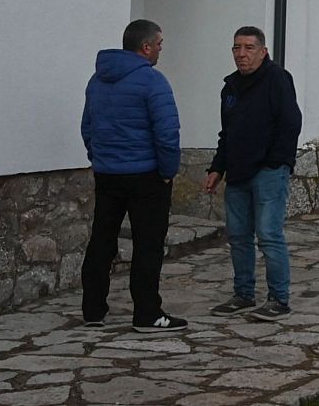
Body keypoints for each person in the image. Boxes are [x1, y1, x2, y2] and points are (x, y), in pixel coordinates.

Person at [80, 19, 186, 333]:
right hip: (146, 176)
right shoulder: (153, 81)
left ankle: (93, 309)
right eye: (160, 44)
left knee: (102, 240)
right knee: (147, 245)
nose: (161, 50)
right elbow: (167, 134)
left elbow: (88, 127)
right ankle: (147, 314)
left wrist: (99, 158)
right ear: (146, 47)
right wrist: (168, 172)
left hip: (107, 174)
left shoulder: (96, 80)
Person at [203, 27, 301, 322]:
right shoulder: (230, 87)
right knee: (238, 236)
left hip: (268, 172)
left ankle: (278, 299)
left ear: (263, 51)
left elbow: (290, 124)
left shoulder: (277, 79)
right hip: (237, 173)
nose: (241, 54)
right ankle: (243, 293)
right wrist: (217, 167)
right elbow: (227, 133)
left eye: (248, 48)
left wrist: (276, 163)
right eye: (236, 48)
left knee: (269, 235)